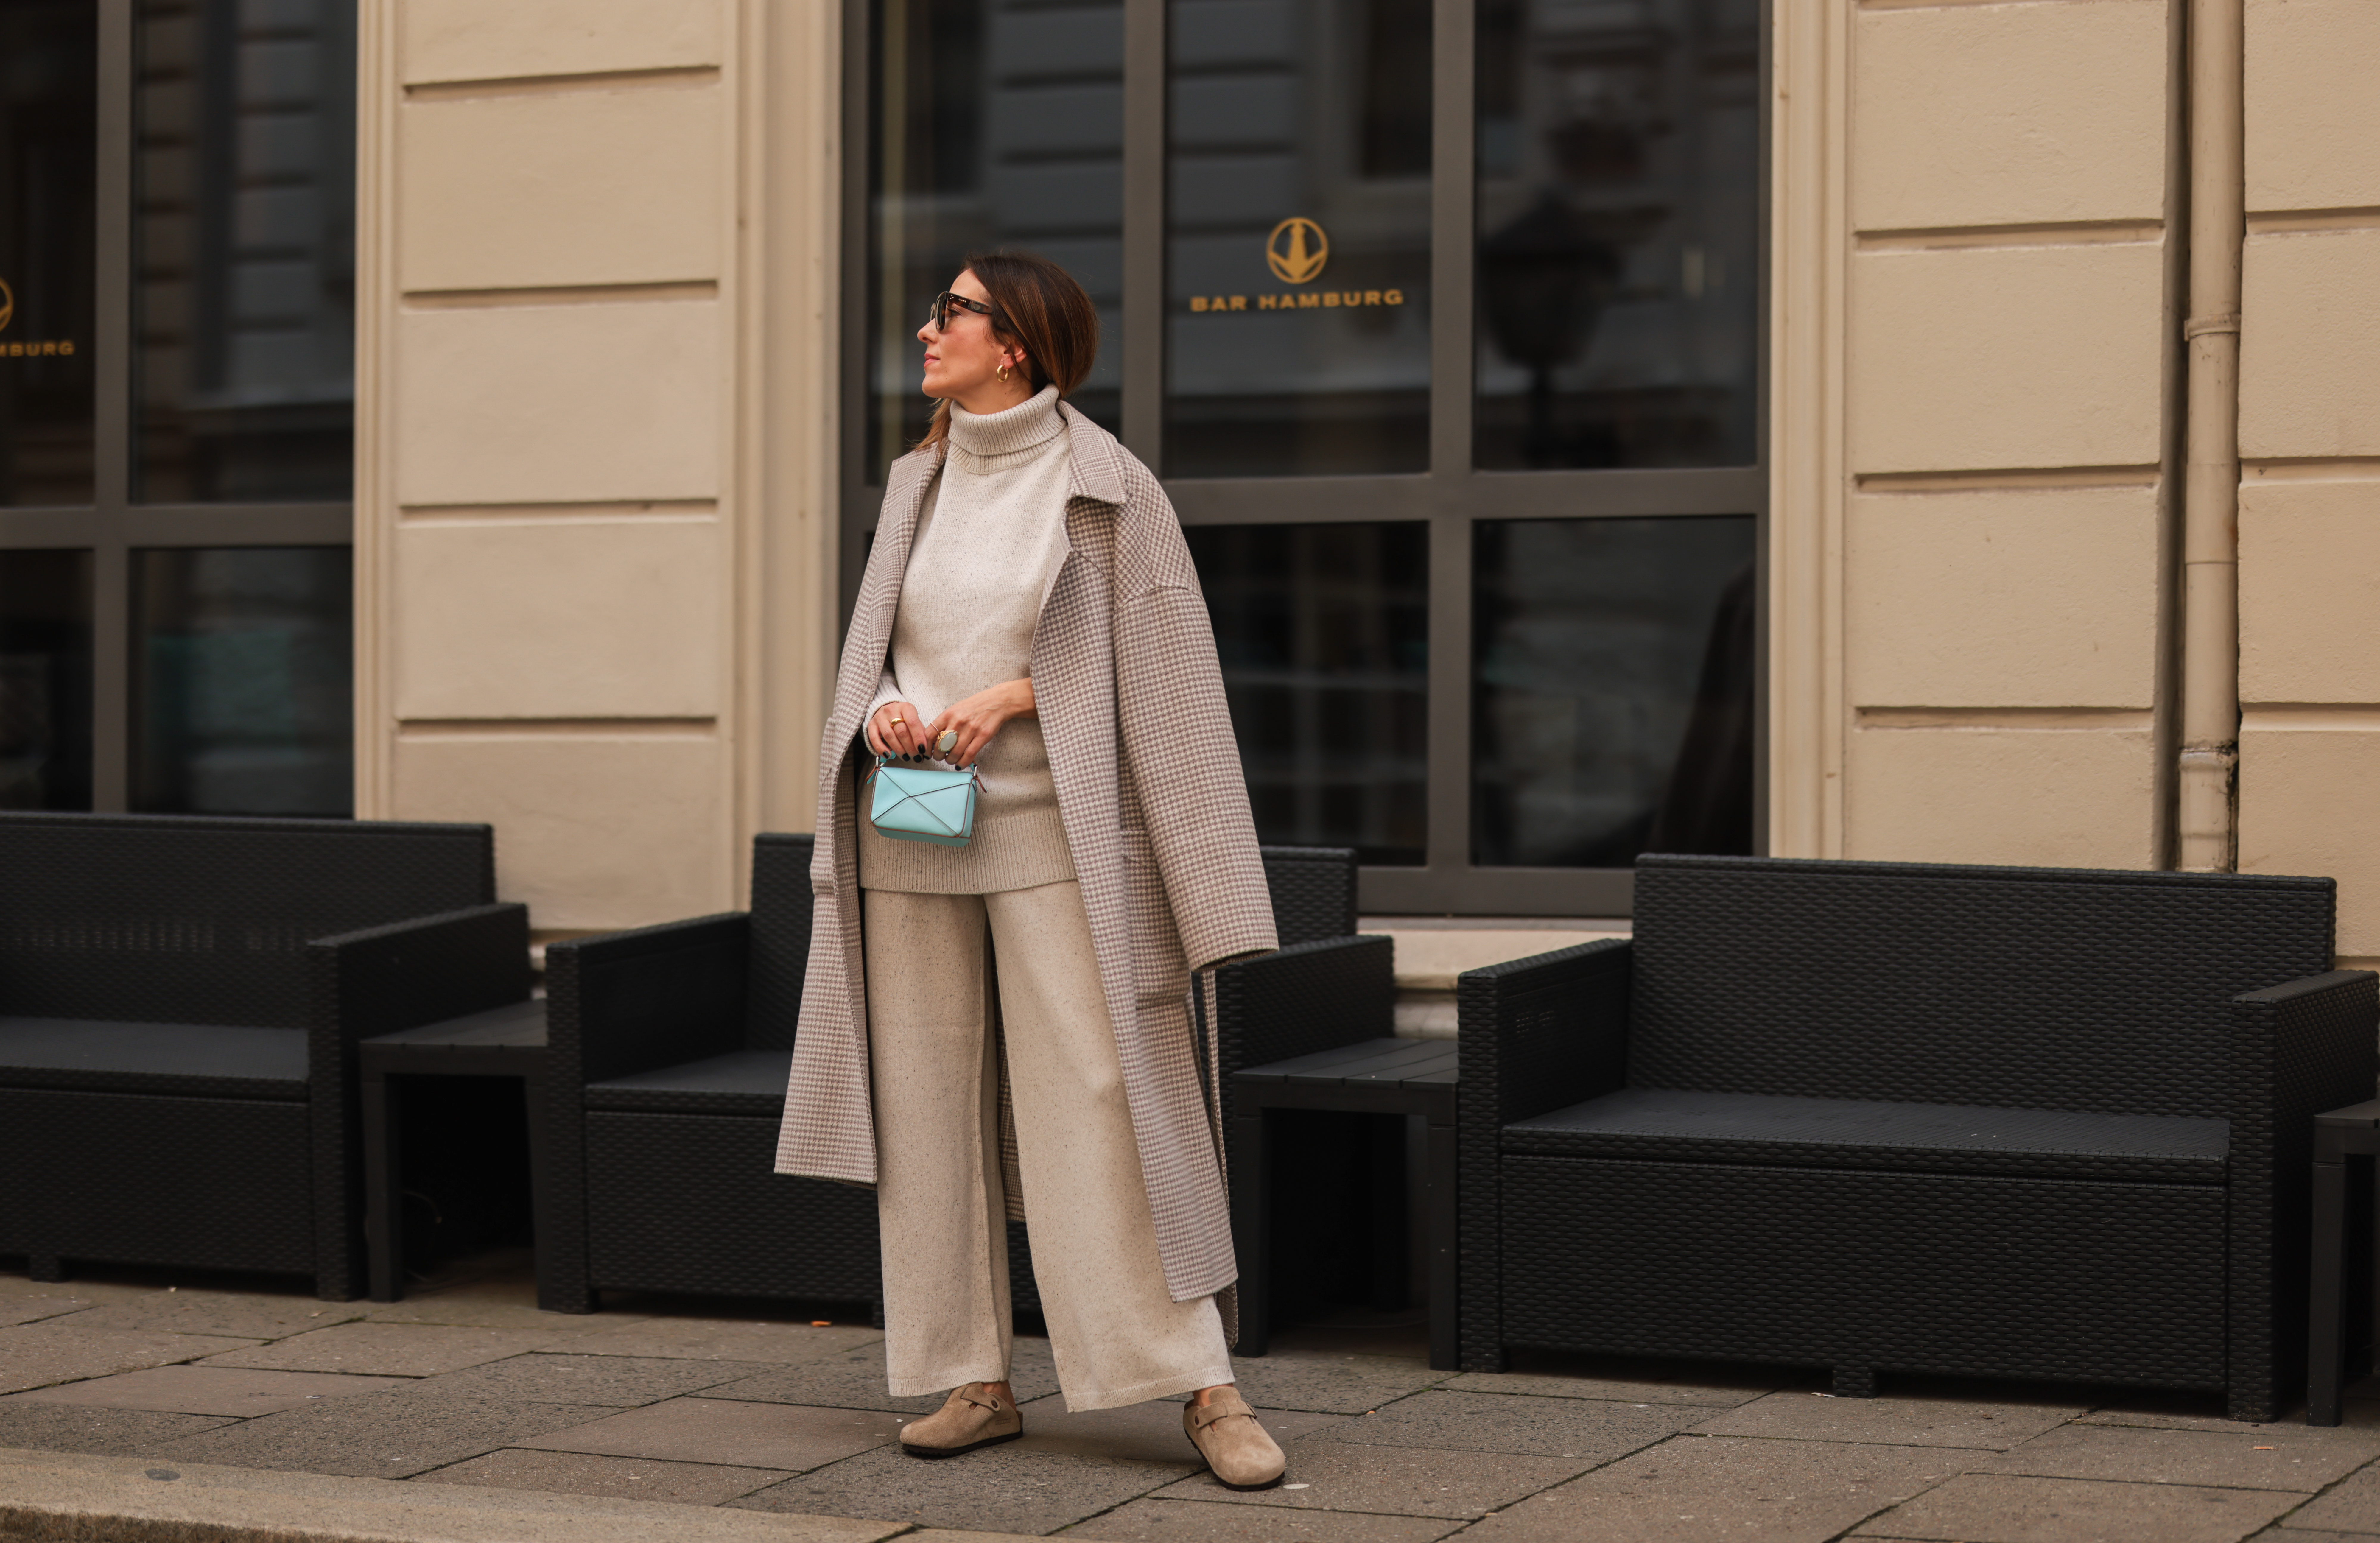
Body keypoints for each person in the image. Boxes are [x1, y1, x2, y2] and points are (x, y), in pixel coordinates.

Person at [772, 250, 1286, 1488]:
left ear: (1018, 342)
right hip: (913, 828)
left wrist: (1025, 693)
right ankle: (974, 1379)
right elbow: (885, 641)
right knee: (925, 1113)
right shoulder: (919, 477)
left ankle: (1204, 1389)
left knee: (1106, 1107)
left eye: (949, 312)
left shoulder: (1109, 488)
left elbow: (1166, 684)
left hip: (1062, 844)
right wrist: (887, 703)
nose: (924, 328)